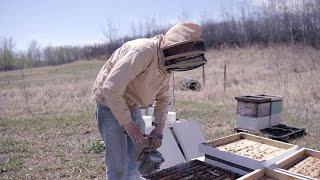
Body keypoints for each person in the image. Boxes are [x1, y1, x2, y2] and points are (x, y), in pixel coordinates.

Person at [92, 22, 207, 180]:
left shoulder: (166, 64)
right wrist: (129, 126)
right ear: (174, 46)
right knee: (118, 166)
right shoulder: (143, 51)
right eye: (182, 52)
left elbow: (163, 98)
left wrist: (158, 129)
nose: (183, 57)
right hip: (109, 105)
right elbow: (111, 88)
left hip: (131, 105)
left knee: (134, 161)